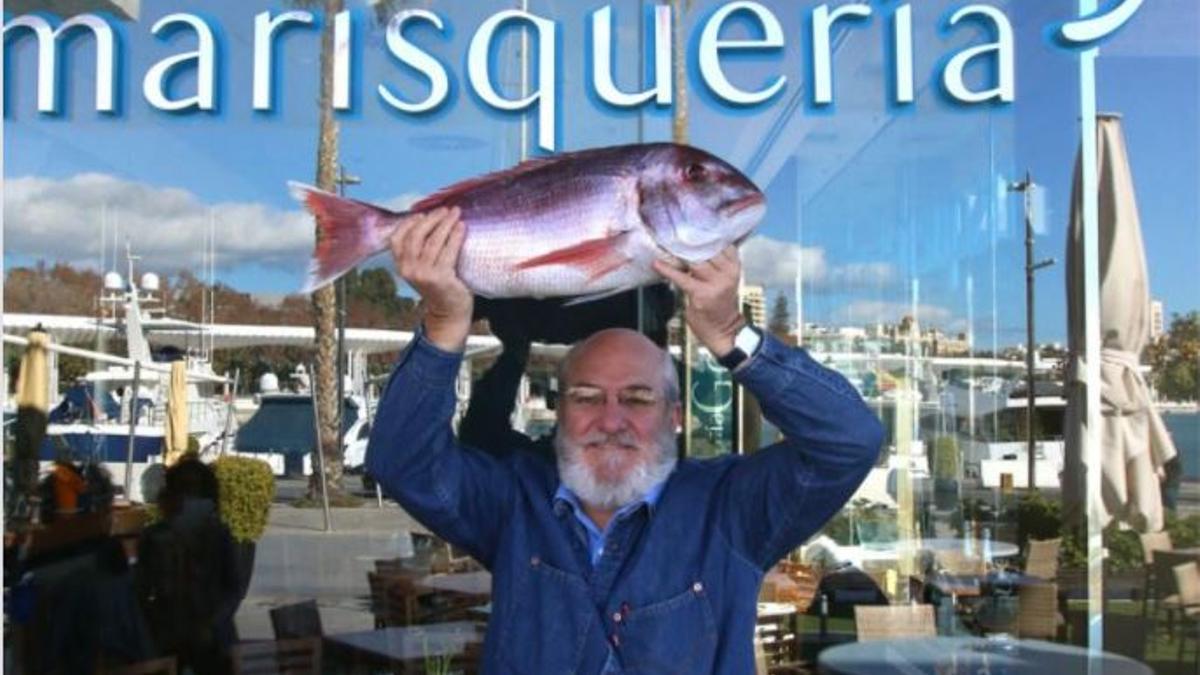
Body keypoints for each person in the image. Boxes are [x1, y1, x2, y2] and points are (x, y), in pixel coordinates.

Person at [367, 207, 884, 673]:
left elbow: (849, 440)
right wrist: (443, 323)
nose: (610, 419)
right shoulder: (514, 503)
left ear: (675, 415)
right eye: (587, 397)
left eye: (637, 399)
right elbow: (403, 461)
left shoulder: (728, 509)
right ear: (560, 410)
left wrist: (730, 333)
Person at [135, 455, 240, 674]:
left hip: (213, 642)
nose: (191, 499)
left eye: (196, 492)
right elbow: (142, 592)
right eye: (185, 491)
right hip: (168, 641)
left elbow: (233, 589)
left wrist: (212, 623)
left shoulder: (218, 535)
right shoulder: (155, 538)